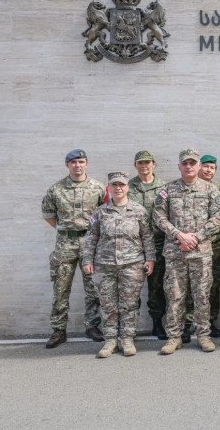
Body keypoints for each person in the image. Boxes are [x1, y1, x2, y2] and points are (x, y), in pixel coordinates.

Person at [153, 149, 220, 354]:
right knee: (174, 296)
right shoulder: (167, 190)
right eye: (185, 163)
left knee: (202, 296)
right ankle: (174, 337)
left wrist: (196, 237)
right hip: (175, 252)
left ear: (199, 166)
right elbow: (159, 217)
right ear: (179, 166)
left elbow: (216, 220)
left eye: (192, 163)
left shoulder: (211, 190)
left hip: (201, 253)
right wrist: (179, 235)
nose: (188, 166)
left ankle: (203, 336)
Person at [82, 172, 155, 358]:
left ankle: (127, 338)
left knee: (129, 304)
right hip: (104, 265)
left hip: (132, 264)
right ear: (109, 188)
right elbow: (91, 237)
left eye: (122, 185)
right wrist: (87, 260)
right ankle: (110, 340)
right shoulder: (100, 212)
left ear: (127, 187)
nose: (118, 188)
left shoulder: (138, 210)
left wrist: (150, 259)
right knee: (108, 304)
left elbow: (147, 236)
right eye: (114, 185)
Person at [41, 149, 105, 348]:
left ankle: (92, 326)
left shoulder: (98, 188)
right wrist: (67, 230)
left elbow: (105, 213)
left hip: (90, 243)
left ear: (87, 164)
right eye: (74, 162)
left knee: (93, 288)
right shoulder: (56, 189)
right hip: (65, 245)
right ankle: (59, 330)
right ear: (67, 165)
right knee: (61, 288)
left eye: (81, 161)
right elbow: (49, 215)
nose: (78, 165)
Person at [127, 150, 168, 339]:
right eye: (140, 163)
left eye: (147, 162)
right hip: (133, 244)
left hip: (158, 242)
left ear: (154, 164)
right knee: (130, 286)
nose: (144, 166)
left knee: (156, 286)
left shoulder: (164, 188)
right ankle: (129, 326)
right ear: (135, 165)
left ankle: (157, 323)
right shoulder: (128, 187)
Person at [194, 154, 220, 338]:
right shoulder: (190, 187)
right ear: (199, 167)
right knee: (190, 285)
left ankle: (210, 321)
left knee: (212, 285)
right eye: (205, 166)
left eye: (212, 167)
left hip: (215, 245)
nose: (208, 170)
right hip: (193, 244)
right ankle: (188, 322)